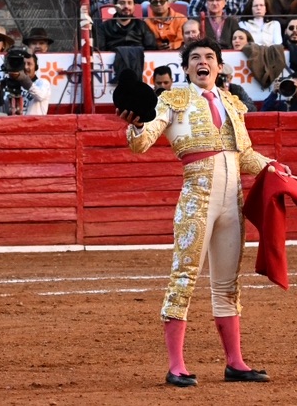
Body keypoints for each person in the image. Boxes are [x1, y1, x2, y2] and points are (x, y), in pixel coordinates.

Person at [117, 37, 286, 385]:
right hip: (196, 199)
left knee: (228, 284)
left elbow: (245, 155)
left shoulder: (233, 103)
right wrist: (136, 125)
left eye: (209, 57)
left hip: (232, 203)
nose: (202, 62)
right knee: (184, 278)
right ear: (186, 68)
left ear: (219, 67)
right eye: (195, 58)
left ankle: (235, 363)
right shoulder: (172, 100)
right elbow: (142, 142)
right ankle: (177, 366)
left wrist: (273, 167)